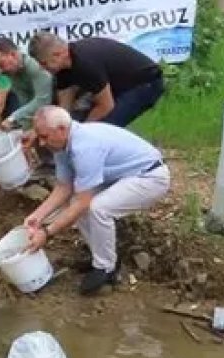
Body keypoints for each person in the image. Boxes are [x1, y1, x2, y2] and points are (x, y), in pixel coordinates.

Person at [20, 106, 171, 295]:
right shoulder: (61, 145)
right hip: (124, 175)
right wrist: (37, 217)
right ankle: (100, 257)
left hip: (150, 176)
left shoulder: (84, 147)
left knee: (98, 208)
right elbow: (64, 187)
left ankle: (106, 269)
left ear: (61, 129)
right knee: (78, 202)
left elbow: (84, 202)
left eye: (44, 136)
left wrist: (47, 233)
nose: (41, 144)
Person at [28, 33, 165, 127]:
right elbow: (65, 109)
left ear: (59, 54)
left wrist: (80, 132)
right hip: (119, 85)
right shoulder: (63, 68)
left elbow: (106, 105)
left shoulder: (85, 63)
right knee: (81, 120)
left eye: (44, 63)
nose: (41, 68)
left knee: (104, 127)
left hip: (146, 83)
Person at [0, 36, 53, 132]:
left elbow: (43, 100)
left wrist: (13, 118)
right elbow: (25, 102)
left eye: (0, 65)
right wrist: (25, 128)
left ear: (13, 55)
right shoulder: (11, 72)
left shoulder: (34, 66)